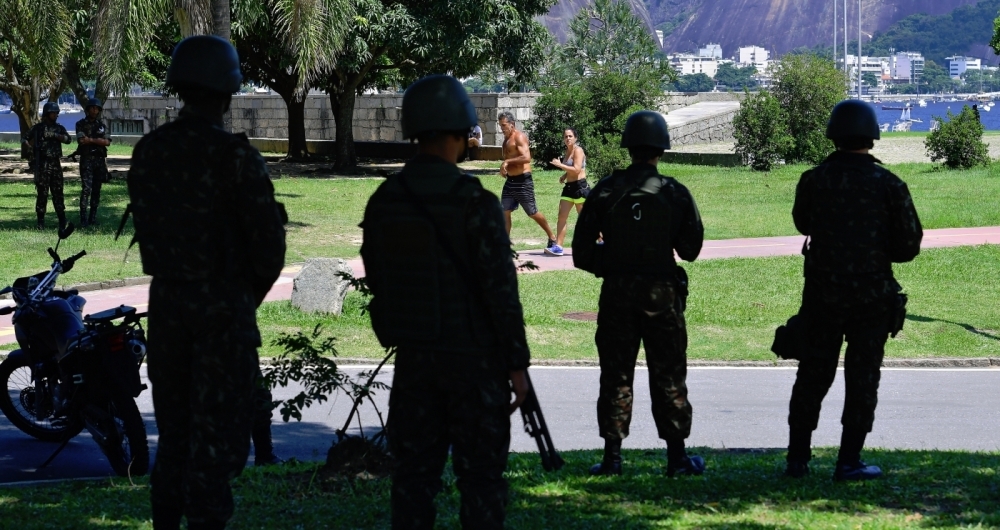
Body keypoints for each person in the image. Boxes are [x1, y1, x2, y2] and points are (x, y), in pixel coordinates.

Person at [126, 35, 286, 529]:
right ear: (227, 91)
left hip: (168, 307)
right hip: (221, 313)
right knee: (214, 453)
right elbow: (269, 251)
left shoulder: (150, 151)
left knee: (174, 442)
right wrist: (239, 300)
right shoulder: (235, 157)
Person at [361, 75, 530, 530]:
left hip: (415, 361)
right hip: (474, 364)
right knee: (481, 483)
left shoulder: (386, 199)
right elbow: (501, 289)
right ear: (461, 131)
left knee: (413, 482)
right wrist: (517, 364)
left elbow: (377, 276)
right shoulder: (473, 201)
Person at [784, 99, 922, 481]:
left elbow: (801, 223)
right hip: (872, 299)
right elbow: (909, 245)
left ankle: (797, 459)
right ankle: (849, 461)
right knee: (862, 378)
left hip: (822, 297)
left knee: (813, 374)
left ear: (834, 135)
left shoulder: (814, 179)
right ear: (872, 138)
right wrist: (877, 250)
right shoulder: (890, 185)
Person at [572, 110, 706, 477]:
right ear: (661, 148)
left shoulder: (605, 190)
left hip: (617, 293)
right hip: (661, 294)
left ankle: (613, 458)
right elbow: (691, 249)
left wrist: (613, 260)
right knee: (669, 373)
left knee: (615, 373)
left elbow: (581, 253)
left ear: (628, 147)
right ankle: (677, 458)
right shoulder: (674, 192)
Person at [497, 111, 557, 250]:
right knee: (505, 211)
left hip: (523, 182)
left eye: (504, 125)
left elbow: (527, 158)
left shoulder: (520, 137)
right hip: (510, 182)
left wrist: (507, 162)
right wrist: (504, 168)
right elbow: (509, 159)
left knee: (532, 212)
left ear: (512, 124)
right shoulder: (506, 140)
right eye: (500, 125)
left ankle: (552, 237)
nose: (502, 128)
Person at [26, 101, 71, 230]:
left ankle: (62, 219)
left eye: (57, 113)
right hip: (42, 164)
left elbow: (68, 140)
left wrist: (56, 136)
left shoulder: (59, 128)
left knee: (58, 192)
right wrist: (30, 148)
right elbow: (25, 138)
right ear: (47, 113)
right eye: (53, 113)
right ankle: (40, 221)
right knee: (42, 193)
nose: (56, 115)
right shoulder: (38, 128)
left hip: (55, 163)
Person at [545, 128, 589, 256]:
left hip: (580, 188)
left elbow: (576, 169)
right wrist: (564, 175)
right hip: (569, 188)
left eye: (570, 136)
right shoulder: (567, 151)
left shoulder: (578, 151)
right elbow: (570, 169)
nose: (568, 138)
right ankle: (558, 246)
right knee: (561, 216)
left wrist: (560, 165)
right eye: (565, 136)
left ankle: (600, 240)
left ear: (575, 138)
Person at [75, 98, 111, 227]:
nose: (95, 110)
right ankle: (83, 218)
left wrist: (90, 140)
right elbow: (81, 140)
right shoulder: (80, 124)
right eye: (92, 108)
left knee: (97, 190)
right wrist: (97, 140)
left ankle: (93, 218)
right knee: (86, 189)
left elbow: (107, 142)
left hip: (99, 161)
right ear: (88, 109)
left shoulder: (102, 125)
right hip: (86, 160)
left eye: (97, 108)